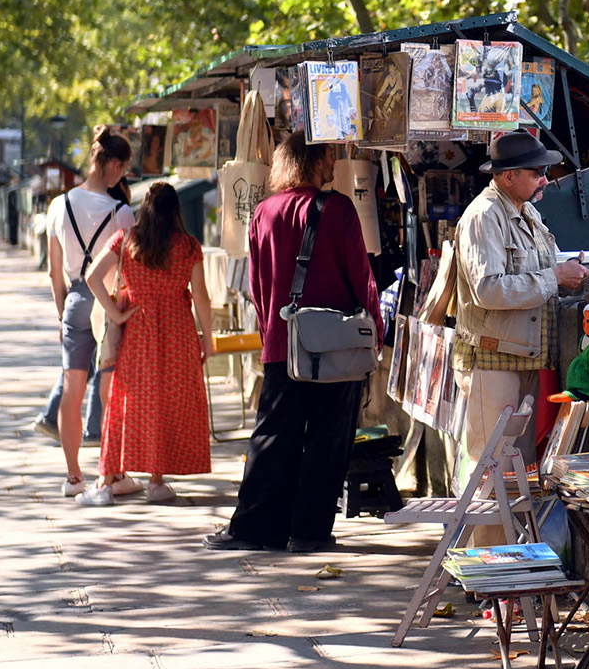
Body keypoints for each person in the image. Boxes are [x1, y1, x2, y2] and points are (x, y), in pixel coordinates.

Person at [203, 132, 381, 553]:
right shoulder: (338, 209)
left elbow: (258, 284)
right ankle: (310, 531)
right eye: (328, 157)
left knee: (271, 436)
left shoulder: (263, 212)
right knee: (328, 439)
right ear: (315, 162)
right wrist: (375, 329)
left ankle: (255, 529)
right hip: (336, 349)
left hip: (284, 345)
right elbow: (361, 278)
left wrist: (271, 336)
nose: (334, 165)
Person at [450, 130, 589, 545]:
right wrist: (553, 277)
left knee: (517, 473)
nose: (545, 179)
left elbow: (539, 274)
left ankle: (513, 576)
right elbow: (488, 289)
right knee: (492, 472)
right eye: (537, 172)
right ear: (508, 176)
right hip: (491, 363)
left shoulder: (526, 213)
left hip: (525, 359)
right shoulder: (482, 216)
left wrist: (574, 275)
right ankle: (492, 581)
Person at [79, 182, 214, 506]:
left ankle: (105, 484)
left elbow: (93, 277)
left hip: (139, 333)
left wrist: (116, 313)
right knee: (169, 403)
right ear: (175, 210)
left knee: (126, 404)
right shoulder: (189, 246)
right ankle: (156, 481)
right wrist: (207, 339)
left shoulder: (127, 240)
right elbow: (202, 297)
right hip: (179, 332)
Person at [43, 127, 134, 498]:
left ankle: (73, 477)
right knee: (112, 393)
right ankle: (112, 474)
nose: (123, 177)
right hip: (110, 303)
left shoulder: (57, 206)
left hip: (76, 301)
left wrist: (63, 312)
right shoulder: (121, 212)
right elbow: (128, 269)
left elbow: (53, 270)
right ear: (112, 165)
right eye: (123, 170)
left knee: (72, 390)